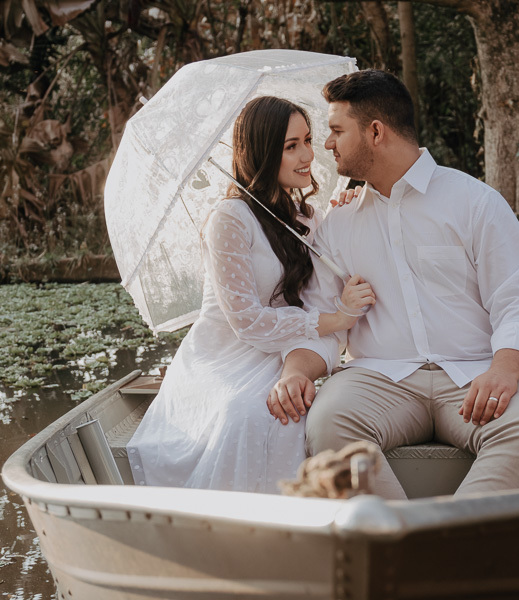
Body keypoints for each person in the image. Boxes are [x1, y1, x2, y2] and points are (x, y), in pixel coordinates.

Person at [267, 70, 519, 500]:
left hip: (476, 372)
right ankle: (402, 532)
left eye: (337, 131)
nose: (327, 144)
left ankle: (451, 531)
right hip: (379, 379)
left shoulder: (475, 202)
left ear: (375, 132)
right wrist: (295, 371)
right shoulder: (338, 223)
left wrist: (504, 369)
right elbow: (320, 319)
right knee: (328, 422)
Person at [127, 96, 375, 493]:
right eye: (291, 146)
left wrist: (345, 209)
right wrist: (338, 319)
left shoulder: (308, 217)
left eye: (307, 140)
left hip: (282, 351)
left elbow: (318, 287)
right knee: (248, 415)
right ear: (263, 152)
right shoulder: (229, 219)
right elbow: (248, 321)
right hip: (226, 356)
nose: (307, 155)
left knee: (293, 412)